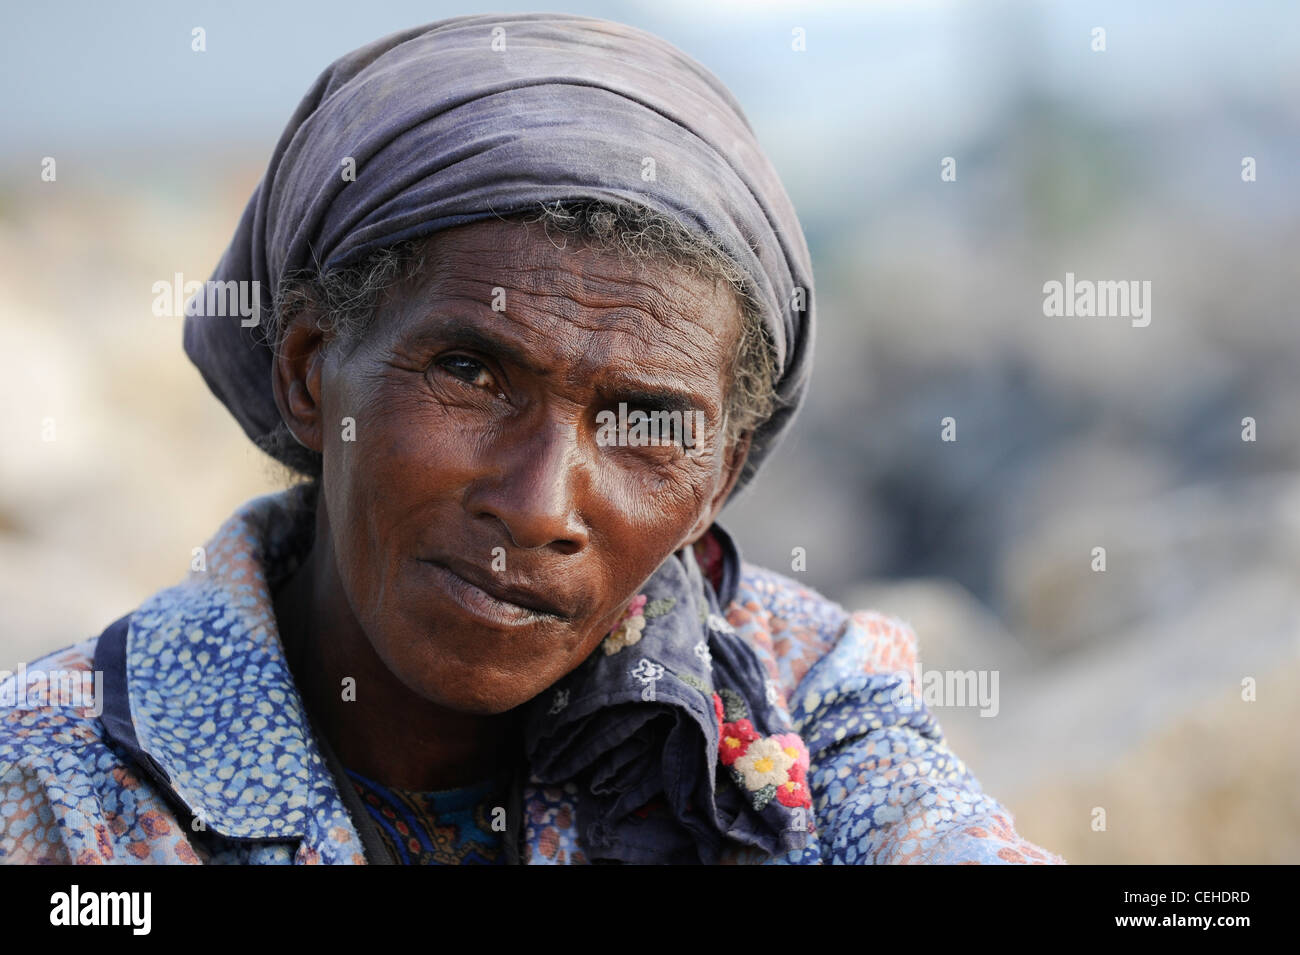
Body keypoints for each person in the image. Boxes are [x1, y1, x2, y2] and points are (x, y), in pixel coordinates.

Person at [0, 13, 1064, 865]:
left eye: (646, 424)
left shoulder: (803, 700)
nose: (541, 505)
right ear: (308, 369)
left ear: (719, 479)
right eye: (468, 373)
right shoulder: (65, 777)